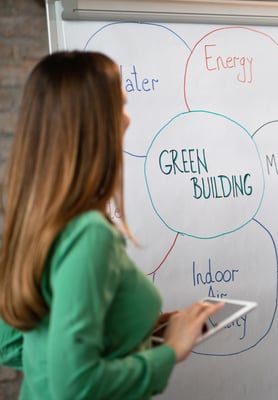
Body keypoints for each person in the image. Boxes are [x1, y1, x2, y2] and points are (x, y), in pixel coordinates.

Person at [0, 51, 223, 399]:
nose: (128, 120)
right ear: (89, 124)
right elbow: (75, 386)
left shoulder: (40, 224)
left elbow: (14, 343)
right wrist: (170, 352)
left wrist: (132, 329)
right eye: (117, 106)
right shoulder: (89, 235)